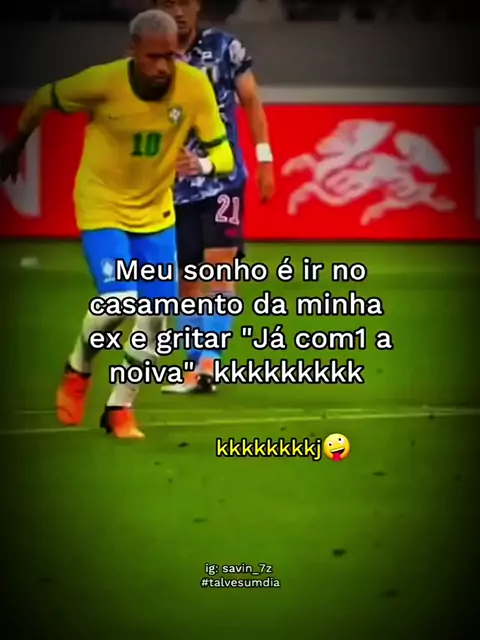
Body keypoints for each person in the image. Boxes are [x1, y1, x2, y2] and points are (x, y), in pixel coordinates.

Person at [0, 9, 234, 438]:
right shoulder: (103, 82)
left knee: (156, 321)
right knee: (121, 303)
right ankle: (79, 367)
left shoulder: (194, 87)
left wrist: (200, 163)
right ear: (133, 51)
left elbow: (225, 156)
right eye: (153, 57)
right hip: (103, 205)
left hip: (156, 213)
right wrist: (16, 146)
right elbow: (43, 98)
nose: (163, 67)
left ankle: (119, 410)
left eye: (170, 56)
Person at [154, 0, 275, 395]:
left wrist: (265, 160)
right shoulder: (150, 59)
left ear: (198, 6)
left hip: (224, 181)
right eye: (169, 3)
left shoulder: (225, 48)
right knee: (187, 284)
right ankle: (196, 368)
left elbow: (251, 101)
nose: (178, 11)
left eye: (185, 2)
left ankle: (208, 365)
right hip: (175, 189)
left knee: (219, 272)